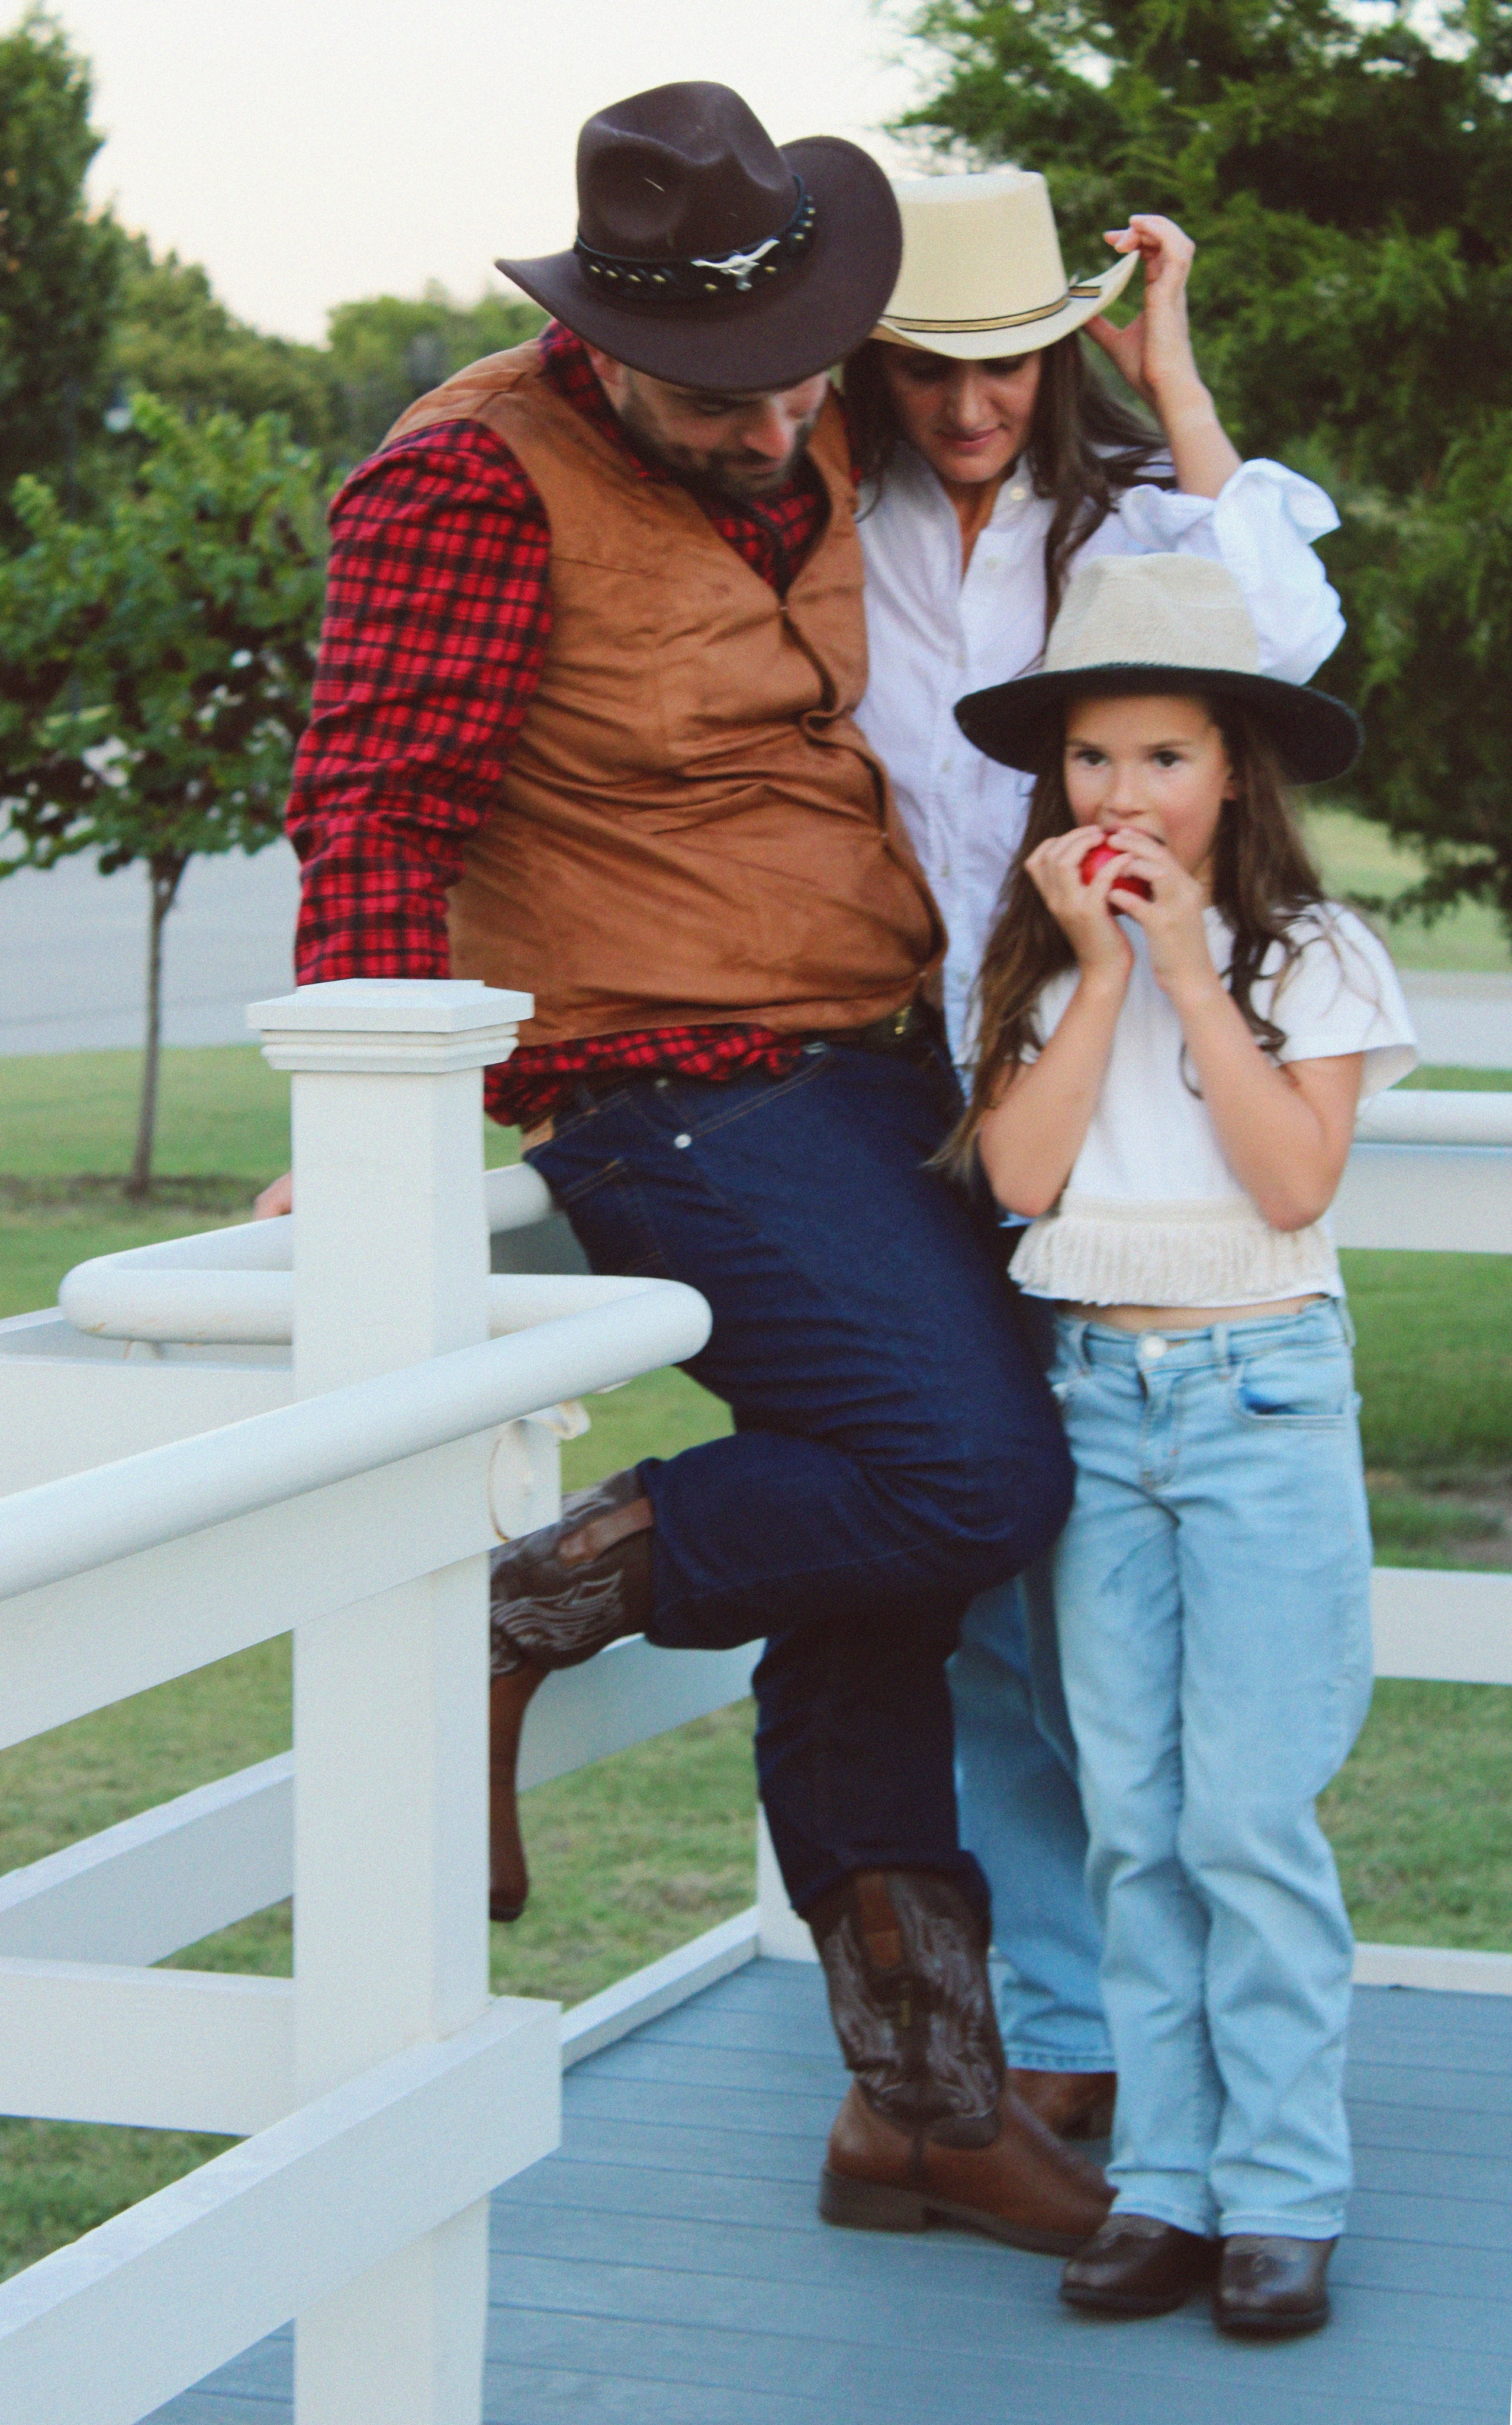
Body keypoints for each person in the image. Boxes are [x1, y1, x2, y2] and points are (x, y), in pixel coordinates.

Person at [275, 81, 1110, 2256]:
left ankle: (918, 2108)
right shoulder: (467, 474)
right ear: (602, 331)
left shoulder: (814, 404)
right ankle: (516, 1607)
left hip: (877, 1067)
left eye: (796, 379)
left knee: (889, 1579)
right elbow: (374, 807)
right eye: (716, 397)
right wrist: (360, 1118)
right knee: (968, 1477)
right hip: (666, 1084)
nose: (775, 435)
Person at [847, 166, 1349, 2139]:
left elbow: (1292, 629)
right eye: (925, 370)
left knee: (1145, 1622)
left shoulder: (1138, 518)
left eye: (1006, 366)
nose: (971, 410)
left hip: (1141, 1070)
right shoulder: (833, 523)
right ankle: (1064, 2029)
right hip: (949, 1069)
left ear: (1059, 347)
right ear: (871, 364)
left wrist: (1177, 375)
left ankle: (1201, 2067)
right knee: (987, 1566)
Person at [951, 550, 1418, 2336]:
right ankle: (1164, 2182)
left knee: (1244, 1815)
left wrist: (1185, 973)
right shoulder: (1030, 957)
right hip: (1097, 1399)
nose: (1119, 795)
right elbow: (1018, 1180)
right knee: (1130, 1824)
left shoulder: (1311, 952)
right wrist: (1092, 976)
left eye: (1159, 758)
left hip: (1258, 1403)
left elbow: (1292, 1180)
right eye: (1087, 763)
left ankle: (1281, 2190)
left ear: (1232, 767)